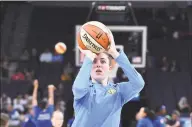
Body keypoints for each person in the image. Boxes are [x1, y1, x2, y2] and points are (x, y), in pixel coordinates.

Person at [71, 28, 144, 127]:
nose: (98, 65)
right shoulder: (85, 90)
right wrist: (89, 56)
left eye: (103, 61)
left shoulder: (118, 91)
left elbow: (138, 84)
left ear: (110, 67)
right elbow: (78, 87)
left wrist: (115, 53)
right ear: (89, 66)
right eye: (94, 61)